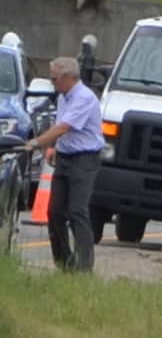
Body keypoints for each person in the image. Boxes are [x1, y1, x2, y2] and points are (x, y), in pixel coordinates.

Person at [24, 57, 104, 272]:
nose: (52, 83)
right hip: (65, 157)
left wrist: (36, 143)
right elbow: (60, 126)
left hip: (84, 159)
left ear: (69, 77)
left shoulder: (84, 98)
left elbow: (63, 127)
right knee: (55, 212)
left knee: (78, 210)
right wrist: (54, 147)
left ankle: (84, 268)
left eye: (55, 79)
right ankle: (64, 264)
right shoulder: (63, 97)